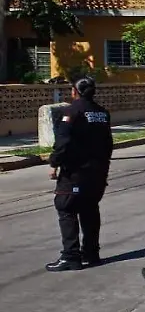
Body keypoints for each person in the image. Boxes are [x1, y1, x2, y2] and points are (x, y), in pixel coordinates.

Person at [46, 77, 114, 272]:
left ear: (74, 91)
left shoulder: (72, 111)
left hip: (76, 172)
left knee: (66, 206)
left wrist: (54, 163)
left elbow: (63, 142)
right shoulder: (102, 113)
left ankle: (70, 256)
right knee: (89, 208)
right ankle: (91, 254)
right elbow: (108, 143)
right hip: (98, 172)